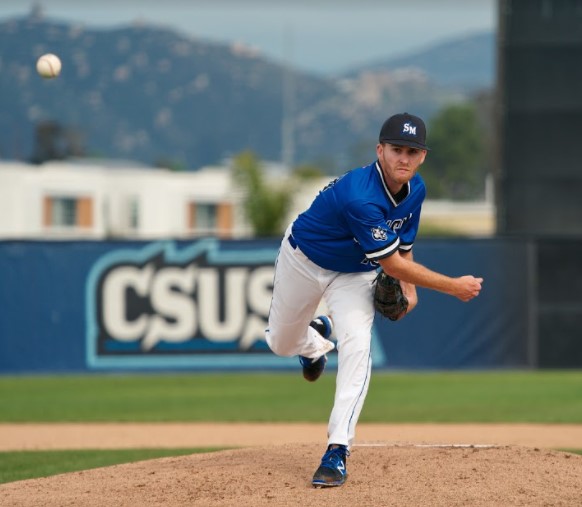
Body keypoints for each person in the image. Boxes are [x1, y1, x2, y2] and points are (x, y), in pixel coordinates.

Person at [265, 112, 483, 488]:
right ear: (380, 150)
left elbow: (405, 245)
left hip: (354, 275)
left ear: (423, 156)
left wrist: (410, 292)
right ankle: (314, 342)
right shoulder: (360, 195)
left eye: (413, 151)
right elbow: (392, 262)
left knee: (357, 346)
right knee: (280, 343)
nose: (404, 158)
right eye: (397, 149)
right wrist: (453, 286)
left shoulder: (416, 189)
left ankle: (337, 450)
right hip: (303, 260)